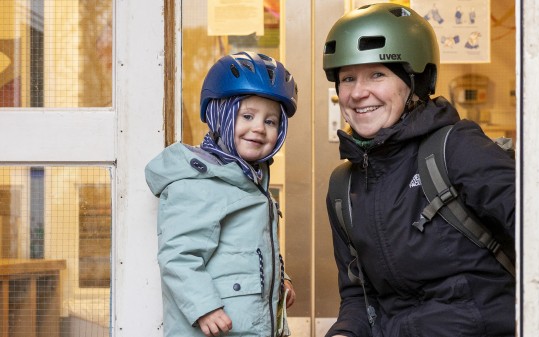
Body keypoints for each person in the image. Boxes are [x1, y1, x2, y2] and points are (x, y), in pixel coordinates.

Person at [322, 4, 515, 337]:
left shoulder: (456, 149)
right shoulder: (344, 187)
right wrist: (345, 333)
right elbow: (358, 295)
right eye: (347, 78)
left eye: (376, 74)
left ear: (415, 80)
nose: (357, 92)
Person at [145, 51, 297, 337]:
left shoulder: (253, 181)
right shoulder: (197, 183)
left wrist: (280, 279)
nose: (258, 128)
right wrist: (204, 307)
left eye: (271, 121)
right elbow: (179, 255)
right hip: (215, 329)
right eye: (247, 115)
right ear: (220, 116)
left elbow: (253, 248)